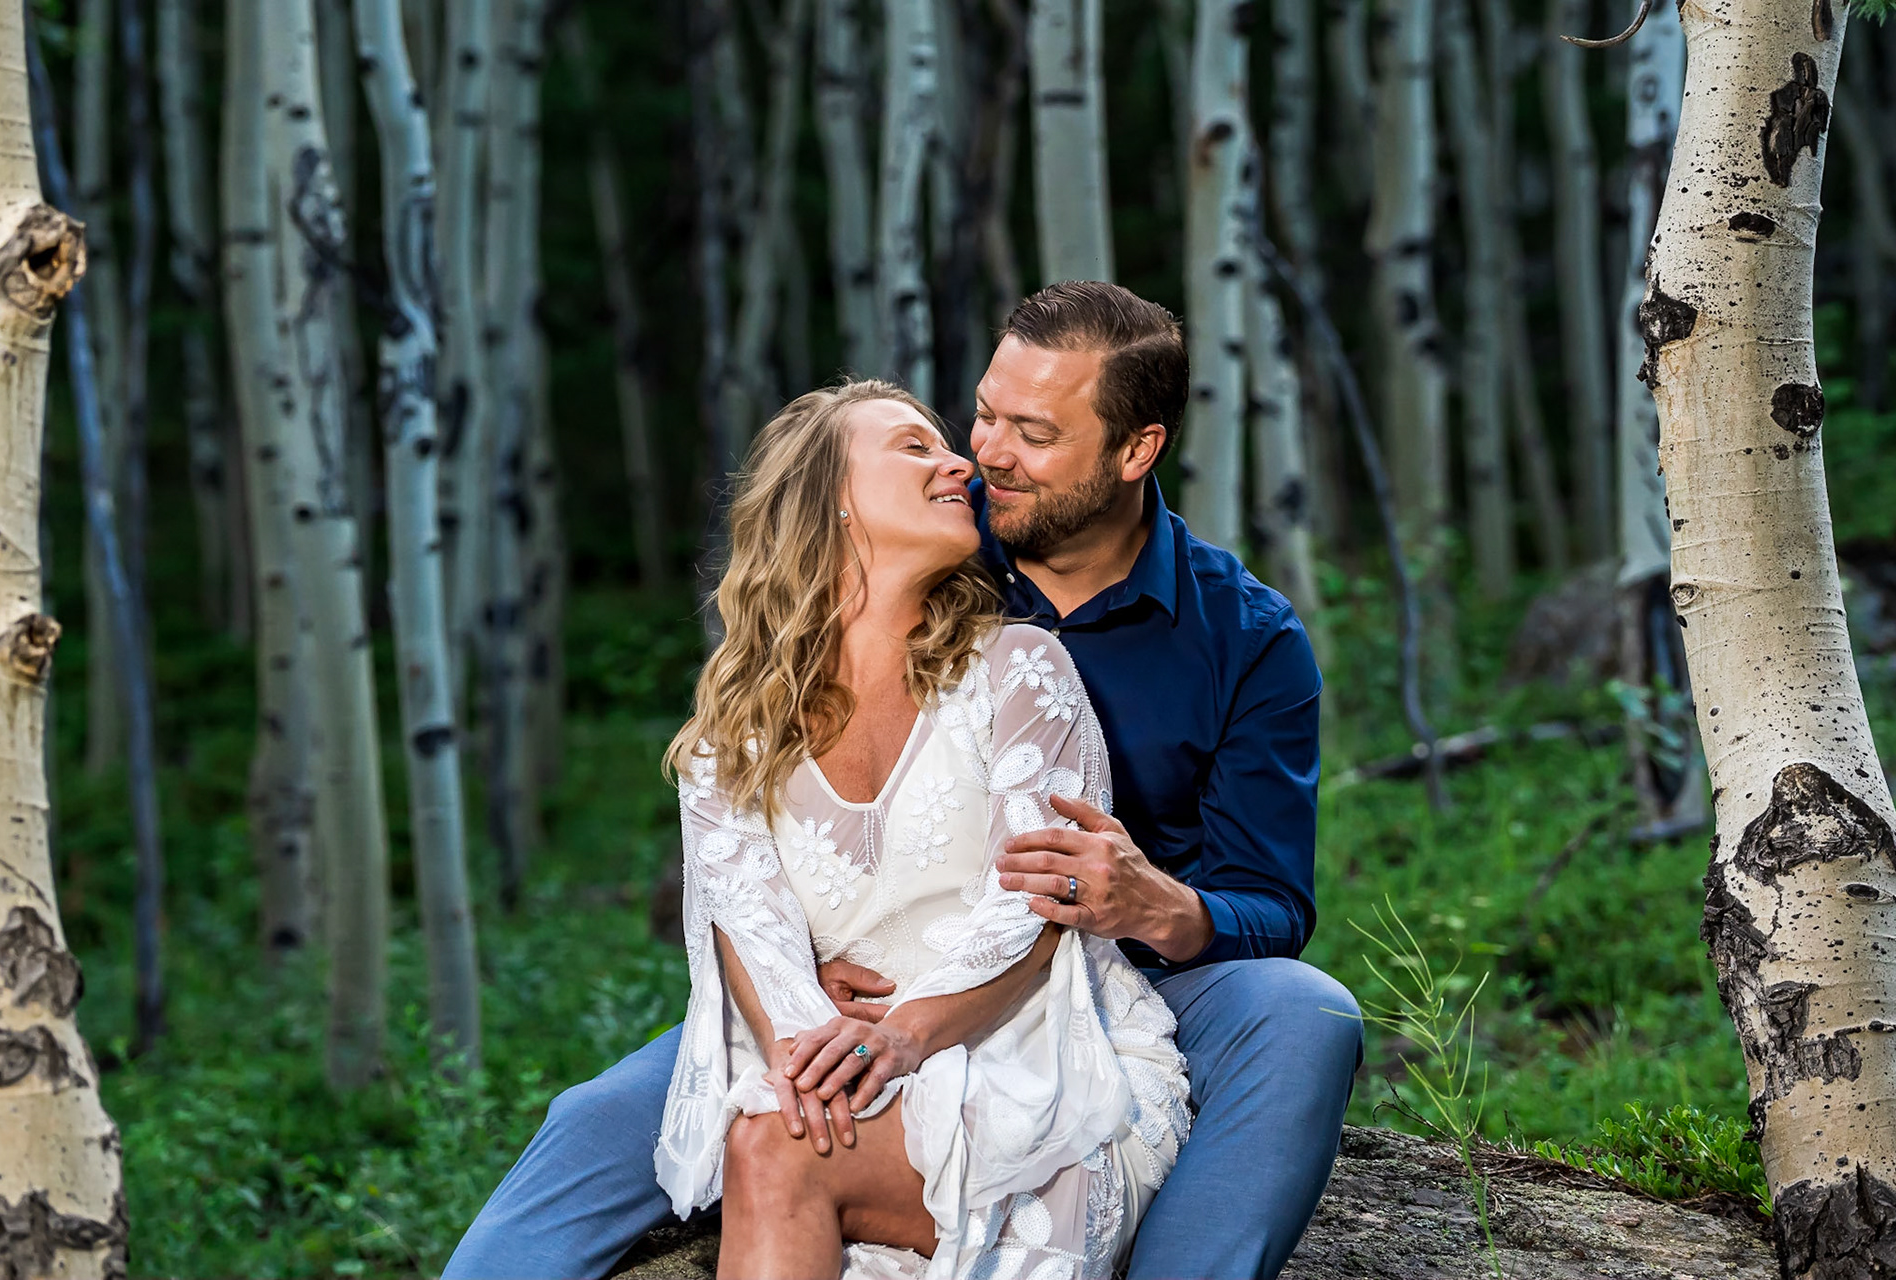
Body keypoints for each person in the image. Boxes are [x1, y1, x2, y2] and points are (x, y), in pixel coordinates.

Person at [445, 282, 1361, 1280]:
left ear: (1134, 450)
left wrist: (1160, 904)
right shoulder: (935, 525)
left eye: (1036, 433)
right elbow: (766, 794)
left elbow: (1270, 900)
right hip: (872, 981)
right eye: (984, 413)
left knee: (1306, 1016)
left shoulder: (1245, 635)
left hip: (1123, 973)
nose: (985, 455)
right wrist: (808, 967)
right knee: (602, 1119)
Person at [656, 380, 1189, 1277]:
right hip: (865, 1082)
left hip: (1044, 1069)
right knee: (775, 1131)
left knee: (772, 1146)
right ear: (825, 498)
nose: (960, 461)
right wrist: (821, 1059)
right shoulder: (729, 737)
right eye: (914, 447)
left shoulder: (1019, 670)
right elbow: (752, 936)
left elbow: (1036, 904)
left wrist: (900, 1034)